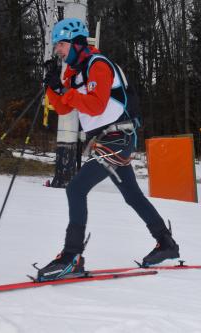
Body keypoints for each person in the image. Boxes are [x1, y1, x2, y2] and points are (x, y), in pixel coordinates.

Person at [38, 18, 179, 281]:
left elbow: (96, 106)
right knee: (132, 195)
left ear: (77, 42)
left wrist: (62, 89)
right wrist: (52, 85)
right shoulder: (76, 73)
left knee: (76, 188)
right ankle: (167, 244)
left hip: (118, 137)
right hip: (107, 140)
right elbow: (65, 107)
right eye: (57, 46)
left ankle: (71, 257)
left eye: (61, 44)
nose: (58, 50)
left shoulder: (98, 65)